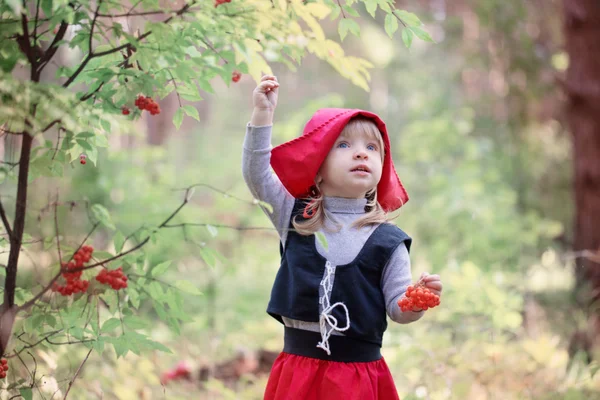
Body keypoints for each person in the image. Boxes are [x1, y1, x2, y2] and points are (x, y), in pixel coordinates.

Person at [242, 74, 443, 400]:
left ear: (381, 166)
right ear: (317, 167)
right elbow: (257, 175)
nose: (361, 154)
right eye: (344, 145)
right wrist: (262, 115)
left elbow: (397, 309)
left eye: (371, 147)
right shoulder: (294, 217)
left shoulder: (388, 242)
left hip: (358, 378)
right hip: (298, 373)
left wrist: (415, 301)